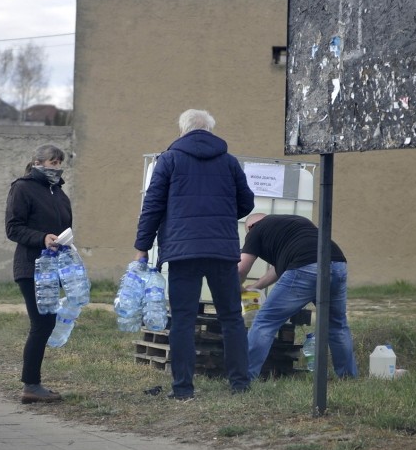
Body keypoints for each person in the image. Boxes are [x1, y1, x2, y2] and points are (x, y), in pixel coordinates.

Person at [134, 109, 255, 400]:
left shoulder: (169, 160)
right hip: (222, 250)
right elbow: (247, 203)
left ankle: (183, 388)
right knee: (231, 318)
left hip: (182, 252)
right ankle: (240, 384)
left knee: (184, 319)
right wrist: (224, 216)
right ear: (210, 130)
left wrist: (142, 247)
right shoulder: (229, 162)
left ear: (182, 130)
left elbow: (152, 206)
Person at [238, 213, 359, 380]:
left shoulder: (256, 230)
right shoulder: (296, 222)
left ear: (250, 227)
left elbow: (241, 269)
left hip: (305, 266)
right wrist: (255, 286)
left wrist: (235, 288)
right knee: (337, 325)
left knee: (265, 322)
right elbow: (279, 267)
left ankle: (243, 379)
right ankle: (348, 378)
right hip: (337, 262)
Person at [5, 144, 72, 403]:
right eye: (52, 163)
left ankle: (32, 384)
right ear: (37, 163)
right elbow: (13, 228)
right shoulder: (22, 188)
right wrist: (42, 238)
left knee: (46, 323)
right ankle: (30, 385)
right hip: (31, 268)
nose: (56, 168)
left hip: (53, 268)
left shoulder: (59, 193)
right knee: (41, 323)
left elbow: (64, 226)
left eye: (59, 163)